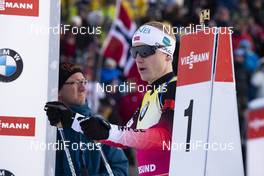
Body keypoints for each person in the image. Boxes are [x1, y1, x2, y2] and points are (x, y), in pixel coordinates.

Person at [45, 21, 177, 176]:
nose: (138, 59)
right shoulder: (150, 94)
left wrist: (109, 132)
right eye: (135, 52)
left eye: (145, 51)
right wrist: (71, 120)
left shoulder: (174, 88)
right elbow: (123, 136)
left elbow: (165, 138)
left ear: (167, 54)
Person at [45, 63, 128, 176]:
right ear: (58, 92)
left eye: (84, 82)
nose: (83, 88)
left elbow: (120, 168)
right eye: (75, 83)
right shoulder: (47, 126)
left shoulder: (97, 125)